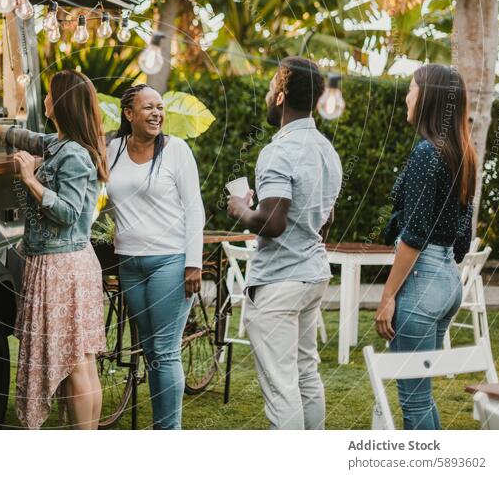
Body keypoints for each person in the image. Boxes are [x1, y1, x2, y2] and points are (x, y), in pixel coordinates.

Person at [0, 70, 108, 429]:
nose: (44, 99)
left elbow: (69, 212)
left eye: (48, 95)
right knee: (81, 361)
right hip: (66, 263)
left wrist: (29, 180)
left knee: (75, 363)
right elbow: (26, 138)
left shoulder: (73, 154)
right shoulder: (61, 143)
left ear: (61, 103)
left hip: (63, 265)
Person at [228, 56, 342, 430]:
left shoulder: (278, 151)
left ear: (280, 96)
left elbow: (273, 223)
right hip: (312, 275)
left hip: (279, 282)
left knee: (281, 389)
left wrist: (241, 209)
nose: (266, 95)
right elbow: (326, 222)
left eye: (269, 88)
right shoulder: (328, 151)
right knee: (306, 373)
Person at [375, 64, 474, 429]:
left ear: (428, 97)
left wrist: (388, 297)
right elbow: (461, 238)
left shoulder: (425, 154)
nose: (406, 96)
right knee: (422, 396)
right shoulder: (461, 153)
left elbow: (413, 236)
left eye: (411, 89)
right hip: (448, 281)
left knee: (413, 403)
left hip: (422, 280)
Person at [105, 84, 205, 429]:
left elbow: (195, 209)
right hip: (129, 263)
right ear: (128, 114)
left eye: (159, 107)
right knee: (150, 353)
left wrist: (194, 263)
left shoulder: (176, 151)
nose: (156, 113)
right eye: (147, 107)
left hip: (170, 262)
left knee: (164, 351)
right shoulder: (112, 149)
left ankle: (167, 431)